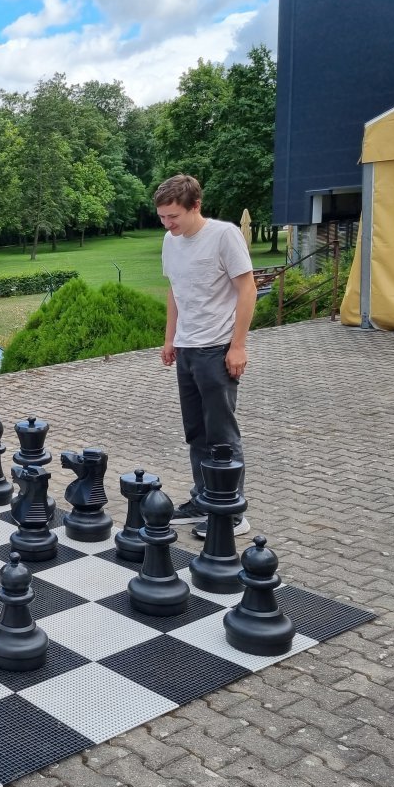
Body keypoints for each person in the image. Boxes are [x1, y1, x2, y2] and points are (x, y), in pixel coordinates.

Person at [154, 174, 256, 538]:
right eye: (162, 217)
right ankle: (203, 498)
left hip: (217, 349)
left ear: (195, 206)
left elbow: (247, 289)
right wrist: (170, 340)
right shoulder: (170, 240)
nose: (167, 224)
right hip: (187, 349)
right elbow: (174, 291)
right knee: (196, 432)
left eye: (173, 216)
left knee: (222, 434)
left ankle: (231, 509)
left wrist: (238, 345)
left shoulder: (224, 235)